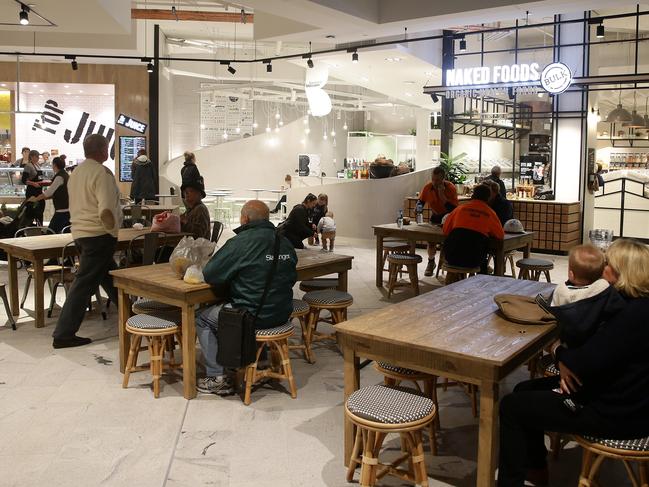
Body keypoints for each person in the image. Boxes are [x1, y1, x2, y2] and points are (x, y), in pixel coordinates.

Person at [497, 238, 649, 487]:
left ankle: (510, 481)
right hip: (629, 398)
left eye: (607, 263)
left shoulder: (631, 316)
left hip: (617, 414)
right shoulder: (634, 305)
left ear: (623, 273)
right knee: (524, 389)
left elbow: (583, 362)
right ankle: (536, 469)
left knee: (512, 407)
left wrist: (559, 351)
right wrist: (568, 358)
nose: (602, 267)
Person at [195, 200, 298, 395]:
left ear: (244, 219)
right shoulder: (284, 242)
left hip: (251, 317)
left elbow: (211, 274)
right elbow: (291, 278)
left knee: (202, 318)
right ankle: (260, 361)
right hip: (281, 313)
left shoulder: (240, 243)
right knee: (255, 302)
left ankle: (217, 377)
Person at [51, 134, 122, 349]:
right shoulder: (101, 172)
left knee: (111, 278)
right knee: (83, 285)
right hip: (99, 235)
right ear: (102, 149)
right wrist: (111, 232)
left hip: (80, 234)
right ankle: (63, 334)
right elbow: (107, 209)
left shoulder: (77, 172)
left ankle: (132, 315)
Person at [442, 184, 504, 274]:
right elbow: (500, 236)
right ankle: (481, 283)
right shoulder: (490, 213)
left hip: (451, 256)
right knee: (483, 259)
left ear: (473, 195)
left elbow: (445, 230)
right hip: (474, 259)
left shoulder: (459, 209)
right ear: (488, 198)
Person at [416, 166, 459, 276]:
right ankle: (431, 262)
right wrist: (418, 207)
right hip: (435, 216)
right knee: (431, 241)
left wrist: (442, 196)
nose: (435, 182)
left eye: (438, 180)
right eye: (433, 179)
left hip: (448, 218)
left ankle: (448, 263)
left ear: (443, 178)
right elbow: (421, 201)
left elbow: (454, 209)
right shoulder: (428, 187)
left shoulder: (451, 188)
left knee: (448, 242)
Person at [28, 156, 70, 233]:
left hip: (62, 210)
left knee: (51, 232)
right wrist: (43, 198)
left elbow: (49, 192)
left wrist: (35, 199)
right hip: (67, 209)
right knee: (63, 232)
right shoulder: (65, 175)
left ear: (54, 165)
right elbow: (56, 193)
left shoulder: (59, 177)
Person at [22, 149, 46, 225]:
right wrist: (33, 183)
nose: (38, 158)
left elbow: (40, 177)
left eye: (38, 156)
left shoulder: (37, 165)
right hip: (32, 192)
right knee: (31, 212)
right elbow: (23, 180)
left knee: (40, 211)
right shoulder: (28, 166)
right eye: (37, 156)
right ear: (31, 157)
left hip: (39, 191)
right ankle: (29, 228)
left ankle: (40, 227)